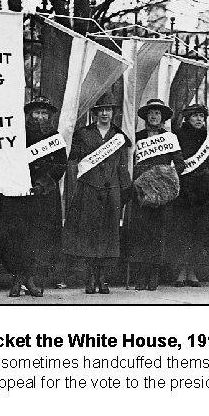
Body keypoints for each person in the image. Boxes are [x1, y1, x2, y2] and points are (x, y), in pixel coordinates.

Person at [0, 96, 68, 297]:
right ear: (29, 115)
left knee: (38, 238)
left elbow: (59, 164)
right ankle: (17, 279)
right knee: (16, 238)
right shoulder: (17, 135)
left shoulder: (55, 138)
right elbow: (6, 161)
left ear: (49, 116)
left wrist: (43, 184)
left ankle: (29, 279)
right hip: (18, 195)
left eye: (44, 113)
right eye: (36, 113)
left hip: (43, 196)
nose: (40, 117)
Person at [62, 93, 132, 294]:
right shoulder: (83, 134)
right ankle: (90, 277)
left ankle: (104, 278)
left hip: (112, 190)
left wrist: (125, 189)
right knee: (89, 234)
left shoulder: (119, 137)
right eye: (100, 110)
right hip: (89, 188)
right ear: (94, 113)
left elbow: (122, 166)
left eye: (108, 110)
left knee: (109, 235)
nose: (104, 113)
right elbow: (73, 156)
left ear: (113, 113)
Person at [127, 99, 185, 291]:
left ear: (163, 118)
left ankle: (154, 275)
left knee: (157, 234)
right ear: (146, 116)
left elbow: (180, 164)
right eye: (151, 112)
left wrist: (165, 180)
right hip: (141, 191)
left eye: (158, 113)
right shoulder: (137, 137)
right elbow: (130, 163)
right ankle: (141, 276)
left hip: (161, 195)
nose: (154, 116)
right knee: (140, 234)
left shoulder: (170, 138)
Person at [167, 104, 209, 287]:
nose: (199, 119)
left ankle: (192, 271)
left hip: (201, 193)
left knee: (198, 233)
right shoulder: (178, 137)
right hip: (183, 191)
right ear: (187, 119)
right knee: (182, 231)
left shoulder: (208, 140)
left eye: (201, 116)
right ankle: (181, 272)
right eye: (195, 116)